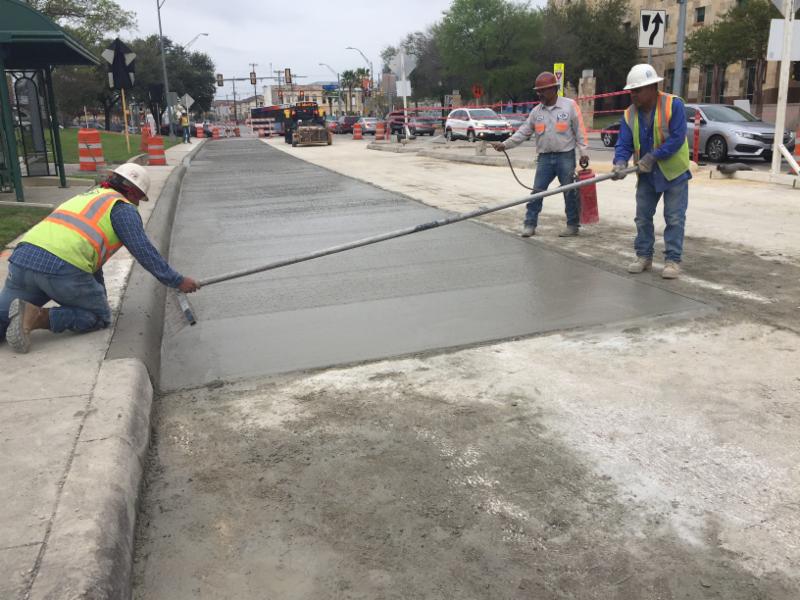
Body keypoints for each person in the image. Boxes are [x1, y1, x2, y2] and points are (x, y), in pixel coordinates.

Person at [0, 163, 200, 354]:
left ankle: (19, 316)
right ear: (133, 193)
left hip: (23, 259)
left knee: (4, 315)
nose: (138, 204)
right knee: (98, 316)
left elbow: (93, 261)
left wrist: (99, 296)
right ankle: (37, 317)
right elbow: (143, 251)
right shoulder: (122, 208)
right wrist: (177, 280)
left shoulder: (86, 197)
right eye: (139, 199)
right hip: (61, 268)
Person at [611, 64, 690, 280]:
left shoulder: (673, 105)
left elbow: (677, 138)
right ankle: (644, 256)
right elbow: (624, 143)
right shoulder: (629, 114)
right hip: (646, 174)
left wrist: (653, 156)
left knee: (674, 218)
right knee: (643, 217)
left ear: (653, 87)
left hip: (674, 172)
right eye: (631, 91)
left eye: (637, 90)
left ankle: (672, 260)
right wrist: (620, 162)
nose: (633, 95)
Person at [492, 72, 589, 237]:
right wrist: (505, 145)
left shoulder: (569, 106)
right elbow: (523, 132)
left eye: (543, 90)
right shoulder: (536, 112)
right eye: (538, 91)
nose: (539, 94)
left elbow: (580, 130)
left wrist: (583, 152)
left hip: (565, 156)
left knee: (569, 191)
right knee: (537, 191)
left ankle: (572, 225)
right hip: (545, 158)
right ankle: (529, 224)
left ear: (554, 89)